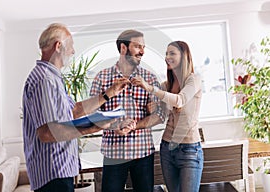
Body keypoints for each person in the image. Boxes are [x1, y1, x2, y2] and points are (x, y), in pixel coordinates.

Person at [22, 23, 132, 192]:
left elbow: (73, 111)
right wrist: (93, 127)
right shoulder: (44, 80)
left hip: (58, 172)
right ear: (58, 46)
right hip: (52, 174)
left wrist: (108, 94)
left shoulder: (52, 77)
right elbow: (47, 133)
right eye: (71, 46)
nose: (73, 51)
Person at [89, 29, 165, 192]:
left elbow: (160, 115)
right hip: (113, 154)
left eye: (143, 47)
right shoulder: (102, 78)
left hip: (142, 153)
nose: (142, 52)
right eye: (137, 46)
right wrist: (115, 125)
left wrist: (133, 126)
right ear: (123, 48)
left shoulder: (149, 79)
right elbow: (92, 114)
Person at [131, 40, 203, 192]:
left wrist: (150, 88)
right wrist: (135, 125)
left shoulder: (193, 80)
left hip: (190, 149)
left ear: (183, 56)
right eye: (166, 53)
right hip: (167, 149)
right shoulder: (166, 85)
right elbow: (160, 117)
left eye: (172, 53)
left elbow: (179, 100)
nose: (167, 57)